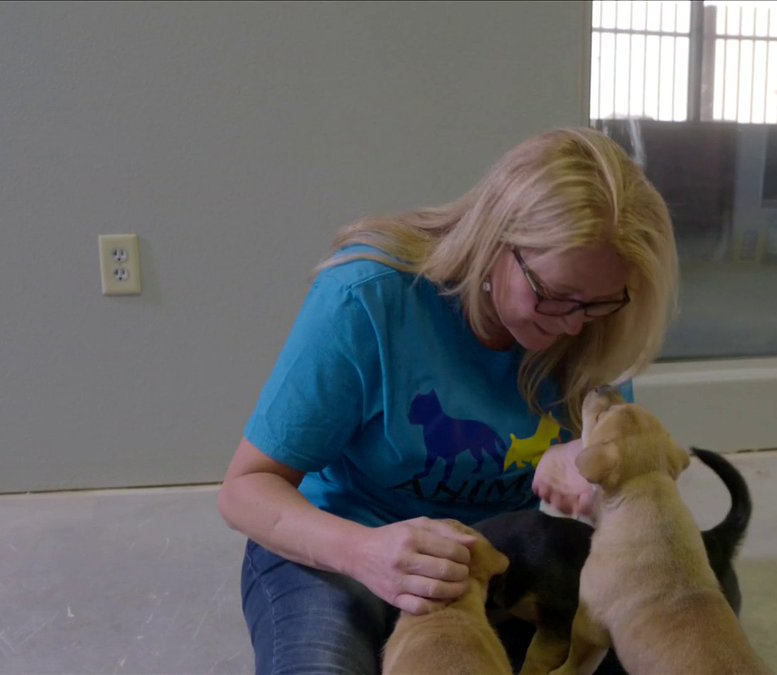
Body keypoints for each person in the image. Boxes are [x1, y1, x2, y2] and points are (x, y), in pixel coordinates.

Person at [217, 127, 679, 675]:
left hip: (488, 561)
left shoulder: (597, 330)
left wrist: (592, 472)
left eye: (599, 304)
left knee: (661, 646)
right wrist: (365, 554)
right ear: (497, 239)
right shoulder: (369, 296)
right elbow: (245, 490)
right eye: (554, 296)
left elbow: (642, 496)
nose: (572, 324)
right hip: (342, 541)